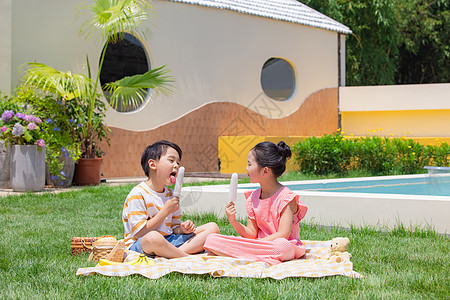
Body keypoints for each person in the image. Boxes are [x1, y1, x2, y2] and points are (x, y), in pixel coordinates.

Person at [204, 141, 308, 265]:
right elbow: (251, 234)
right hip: (258, 245)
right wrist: (233, 221)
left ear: (265, 171)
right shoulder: (253, 197)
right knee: (211, 239)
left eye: (249, 164)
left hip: (282, 245)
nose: (246, 168)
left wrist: (257, 244)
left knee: (282, 247)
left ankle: (241, 252)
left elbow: (283, 234)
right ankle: (256, 255)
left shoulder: (286, 198)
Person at [122, 140, 220, 258]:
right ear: (153, 165)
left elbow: (173, 228)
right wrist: (165, 211)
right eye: (171, 160)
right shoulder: (138, 193)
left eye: (178, 163)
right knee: (154, 237)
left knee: (212, 228)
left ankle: (173, 254)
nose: (176, 165)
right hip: (141, 245)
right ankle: (184, 256)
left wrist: (183, 229)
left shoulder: (170, 194)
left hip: (169, 241)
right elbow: (139, 233)